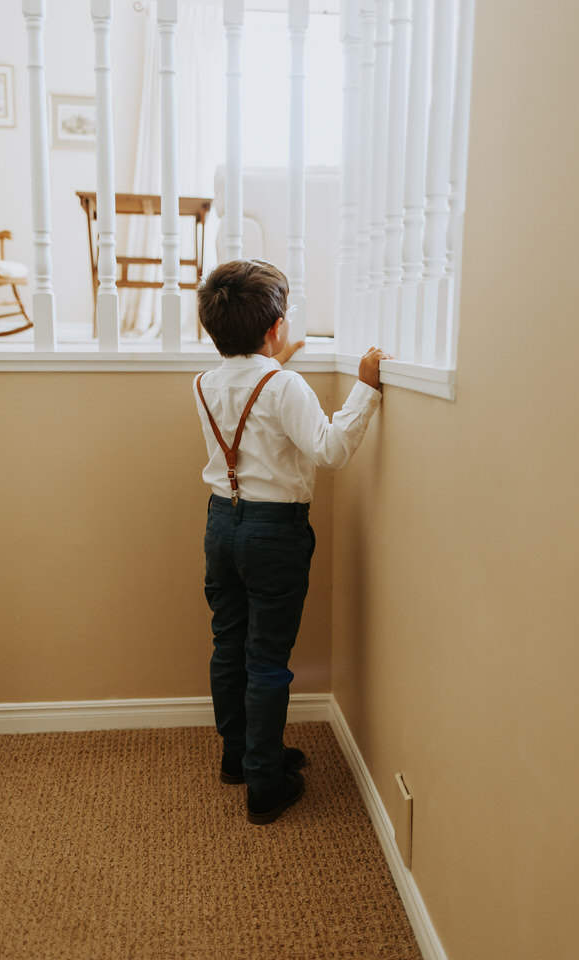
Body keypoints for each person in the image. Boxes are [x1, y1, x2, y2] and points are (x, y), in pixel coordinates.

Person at [194, 259, 389, 825]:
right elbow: (329, 450)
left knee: (229, 645)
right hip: (273, 533)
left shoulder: (205, 383)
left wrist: (273, 363)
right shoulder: (284, 386)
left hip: (220, 526)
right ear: (276, 326)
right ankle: (264, 781)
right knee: (268, 659)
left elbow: (246, 404)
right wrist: (365, 390)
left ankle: (240, 756)